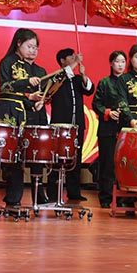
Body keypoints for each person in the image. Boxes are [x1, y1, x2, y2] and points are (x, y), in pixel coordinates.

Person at [0, 28, 47, 208]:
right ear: (18, 43)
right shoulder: (7, 62)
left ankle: (13, 200)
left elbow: (24, 96)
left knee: (17, 157)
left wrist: (34, 103)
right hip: (5, 110)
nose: (32, 50)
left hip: (22, 113)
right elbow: (3, 88)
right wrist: (26, 83)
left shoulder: (30, 67)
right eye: (29, 46)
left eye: (35, 47)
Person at [48, 48, 94, 202]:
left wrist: (84, 75)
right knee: (57, 158)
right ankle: (52, 192)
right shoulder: (57, 77)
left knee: (76, 158)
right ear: (62, 61)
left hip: (77, 126)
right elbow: (53, 87)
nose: (75, 59)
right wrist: (75, 64)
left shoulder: (76, 79)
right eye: (71, 57)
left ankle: (74, 192)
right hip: (60, 126)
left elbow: (89, 89)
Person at [92, 50, 126, 208]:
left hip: (124, 128)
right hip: (107, 129)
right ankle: (106, 197)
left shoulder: (128, 82)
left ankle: (123, 198)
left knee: (123, 165)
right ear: (111, 64)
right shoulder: (104, 82)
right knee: (107, 164)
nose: (120, 65)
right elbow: (96, 103)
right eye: (117, 61)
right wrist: (108, 112)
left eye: (123, 62)